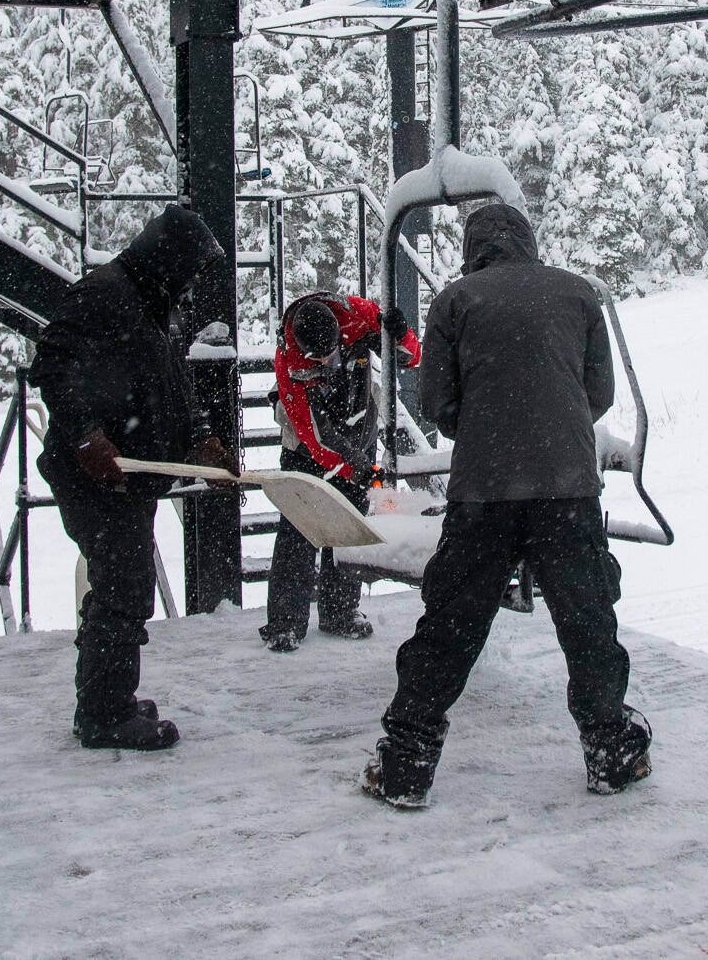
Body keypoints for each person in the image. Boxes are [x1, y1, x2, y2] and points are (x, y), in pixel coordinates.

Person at [362, 203, 650, 809]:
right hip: (567, 488)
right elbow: (597, 394)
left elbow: (438, 403)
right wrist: (549, 427)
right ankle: (610, 750)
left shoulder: (456, 301)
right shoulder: (577, 295)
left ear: (475, 248)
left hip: (484, 491)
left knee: (450, 624)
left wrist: (492, 427)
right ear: (527, 240)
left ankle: (406, 761)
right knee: (588, 621)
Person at [30, 204, 231, 751]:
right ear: (166, 257)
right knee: (124, 587)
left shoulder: (155, 302)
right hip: (94, 478)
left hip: (133, 479)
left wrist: (200, 439)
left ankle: (104, 697)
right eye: (190, 268)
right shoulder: (104, 293)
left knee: (121, 585)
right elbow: (51, 364)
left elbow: (172, 385)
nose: (193, 283)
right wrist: (85, 436)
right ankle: (104, 714)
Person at [261, 291, 420, 652]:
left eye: (329, 354)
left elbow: (411, 359)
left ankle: (340, 611)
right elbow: (315, 437)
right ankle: (285, 622)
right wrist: (362, 471)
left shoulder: (361, 317)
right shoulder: (289, 361)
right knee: (299, 527)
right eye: (315, 360)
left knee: (349, 526)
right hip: (305, 448)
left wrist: (400, 334)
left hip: (359, 428)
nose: (324, 362)